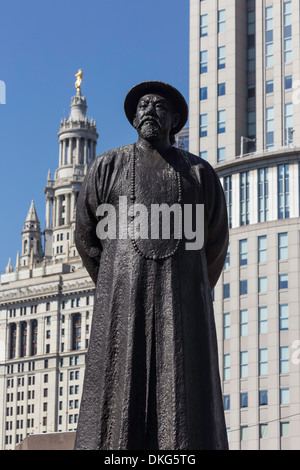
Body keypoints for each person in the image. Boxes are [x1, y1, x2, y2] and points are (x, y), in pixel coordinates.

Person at [74, 81, 229, 450]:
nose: (149, 111)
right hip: (122, 300)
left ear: (175, 119)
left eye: (159, 106)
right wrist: (115, 281)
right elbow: (86, 236)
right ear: (132, 118)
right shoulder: (106, 167)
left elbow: (215, 243)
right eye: (143, 105)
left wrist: (189, 287)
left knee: (184, 399)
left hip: (182, 303)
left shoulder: (200, 174)